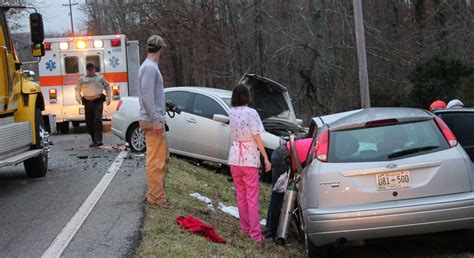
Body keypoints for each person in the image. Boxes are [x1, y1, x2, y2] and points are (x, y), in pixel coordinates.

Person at [228, 84, 271, 243]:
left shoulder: (231, 112)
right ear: (247, 96)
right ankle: (255, 234)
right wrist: (266, 158)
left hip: (234, 158)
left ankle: (245, 228)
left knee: (241, 196)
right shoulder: (252, 113)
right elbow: (257, 137)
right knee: (252, 197)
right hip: (249, 158)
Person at [137, 35, 170, 208]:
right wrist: (157, 119)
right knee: (156, 161)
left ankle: (155, 194)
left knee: (162, 159)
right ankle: (156, 198)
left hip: (153, 118)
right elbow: (147, 97)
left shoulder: (148, 67)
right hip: (152, 121)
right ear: (161, 49)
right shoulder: (150, 68)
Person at [265, 137, 312, 239]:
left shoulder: (318, 141)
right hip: (282, 157)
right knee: (278, 196)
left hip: (282, 154)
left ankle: (270, 227)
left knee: (276, 195)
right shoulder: (320, 147)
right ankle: (272, 231)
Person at [75, 62, 111, 147]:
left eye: (92, 70)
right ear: (87, 70)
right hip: (88, 101)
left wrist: (109, 97)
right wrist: (78, 97)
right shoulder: (82, 79)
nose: (91, 72)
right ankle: (93, 139)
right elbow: (77, 89)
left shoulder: (100, 77)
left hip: (97, 100)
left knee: (98, 120)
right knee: (89, 121)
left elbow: (107, 86)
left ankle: (99, 140)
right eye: (89, 70)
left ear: (94, 69)